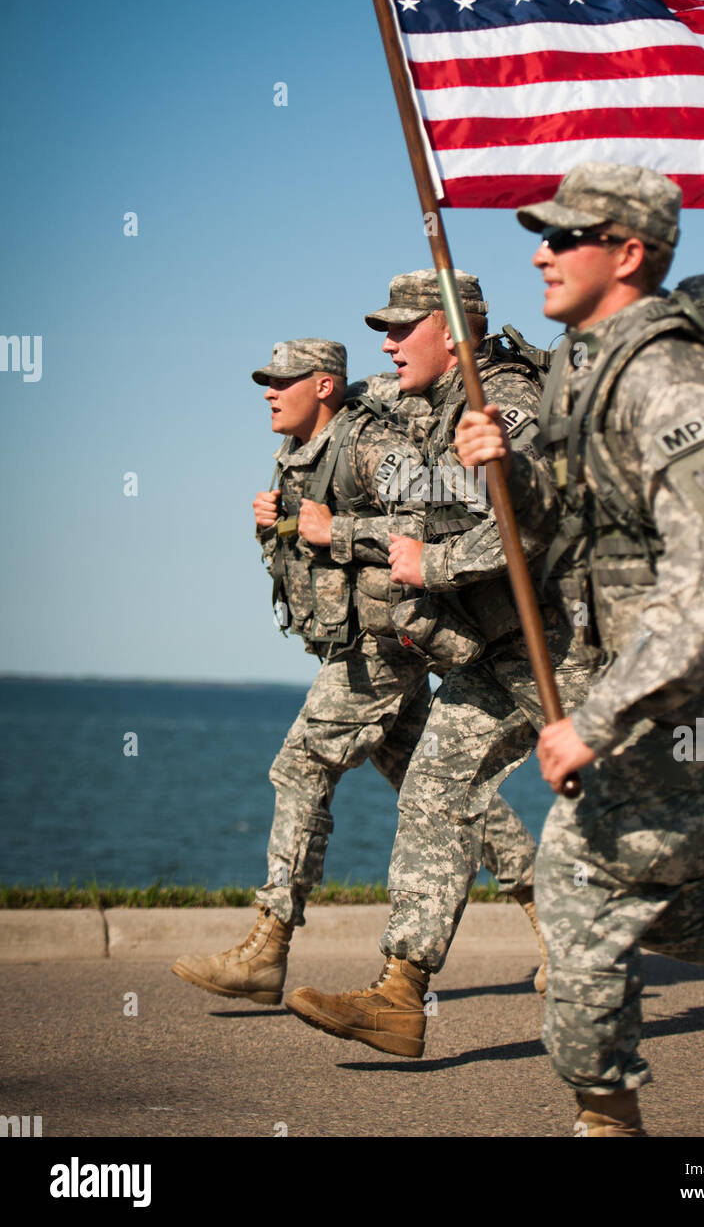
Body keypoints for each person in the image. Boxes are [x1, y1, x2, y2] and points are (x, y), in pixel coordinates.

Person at [454, 161, 704, 1136]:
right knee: (664, 895)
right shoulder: (584, 366)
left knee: (583, 872)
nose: (541, 252)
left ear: (628, 252)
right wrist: (501, 474)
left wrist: (595, 720)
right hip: (649, 675)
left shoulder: (673, 379)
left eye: (565, 236)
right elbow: (580, 532)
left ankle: (607, 1119)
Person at [284, 273, 601, 1058]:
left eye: (400, 329)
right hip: (492, 651)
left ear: (450, 328)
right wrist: (347, 537)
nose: (385, 345)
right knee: (433, 792)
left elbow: (534, 525)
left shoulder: (505, 403)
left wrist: (438, 567)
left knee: (644, 815)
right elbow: (414, 517)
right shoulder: (433, 414)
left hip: (562, 648)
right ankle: (401, 990)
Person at [171, 337, 540, 1007]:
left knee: (302, 763)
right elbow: (311, 542)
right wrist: (275, 525)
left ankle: (268, 943)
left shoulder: (371, 445)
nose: (268, 392)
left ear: (322, 386)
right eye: (266, 380)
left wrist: (333, 528)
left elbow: (432, 516)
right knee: (433, 786)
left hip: (392, 633)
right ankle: (549, 915)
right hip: (368, 634)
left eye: (282, 381)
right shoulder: (299, 453)